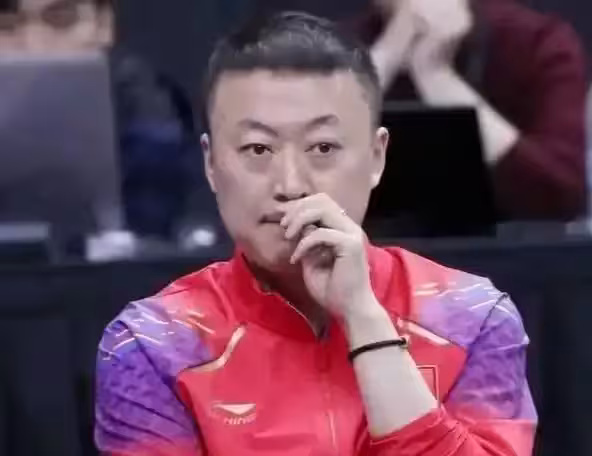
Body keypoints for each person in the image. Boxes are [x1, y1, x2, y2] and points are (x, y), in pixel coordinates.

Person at [95, 11, 536, 455]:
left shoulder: (470, 316)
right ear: (211, 164)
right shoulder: (154, 342)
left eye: (323, 147)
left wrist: (364, 316)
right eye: (258, 149)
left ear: (377, 157)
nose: (290, 185)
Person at [0, 0, 205, 244]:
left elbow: (159, 217)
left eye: (61, 20)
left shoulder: (146, 108)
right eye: (5, 25)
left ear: (103, 24)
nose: (33, 45)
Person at [364, 0, 588, 221]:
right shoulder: (353, 43)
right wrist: (386, 56)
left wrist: (435, 73)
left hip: (514, 237)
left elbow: (559, 194)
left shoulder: (535, 43)